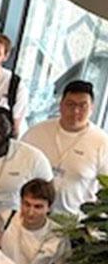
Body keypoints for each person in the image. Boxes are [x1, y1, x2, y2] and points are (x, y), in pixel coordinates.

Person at [22, 80, 108, 218]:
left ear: (92, 108)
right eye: (70, 104)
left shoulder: (102, 143)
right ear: (61, 105)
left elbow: (105, 191)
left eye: (82, 106)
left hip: (73, 224)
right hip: (32, 217)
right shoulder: (36, 132)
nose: (75, 111)